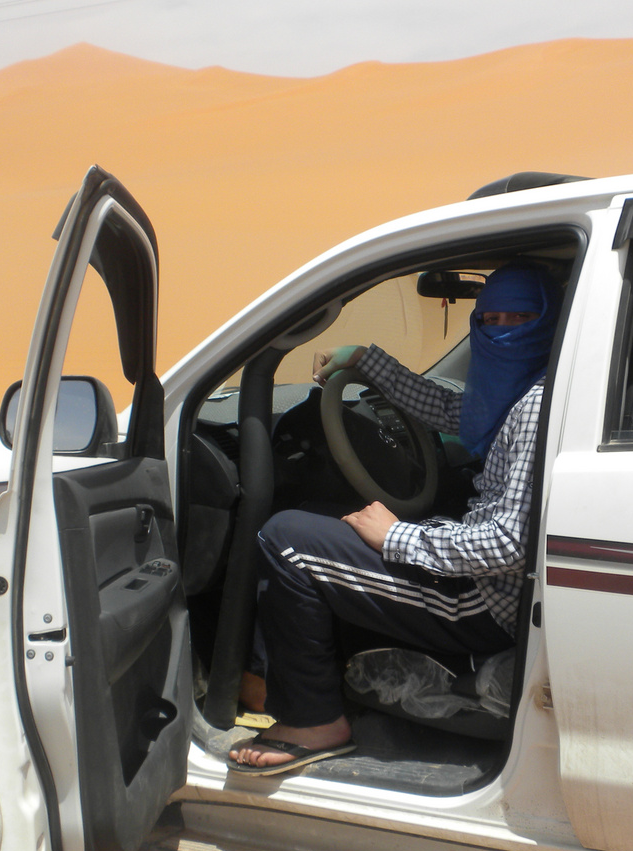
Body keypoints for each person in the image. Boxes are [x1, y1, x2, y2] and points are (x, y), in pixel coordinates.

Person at [228, 260, 562, 775]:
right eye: (488, 319)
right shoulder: (520, 391)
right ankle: (267, 678)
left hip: (484, 601)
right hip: (487, 580)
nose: (500, 331)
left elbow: (508, 545)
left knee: (286, 540)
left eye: (518, 318)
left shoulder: (538, 403)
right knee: (318, 517)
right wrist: (366, 361)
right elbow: (452, 411)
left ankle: (315, 721)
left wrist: (398, 536)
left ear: (547, 321)